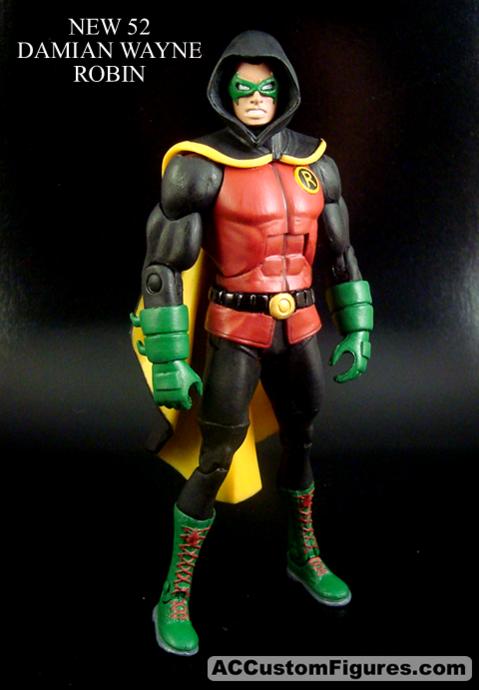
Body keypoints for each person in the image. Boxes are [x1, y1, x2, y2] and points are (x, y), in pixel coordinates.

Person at [131, 30, 373, 656]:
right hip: (236, 330)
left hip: (303, 326)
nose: (256, 98)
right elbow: (162, 269)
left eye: (267, 88)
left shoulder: (317, 163)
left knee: (302, 438)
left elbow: (341, 252)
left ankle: (302, 552)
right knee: (216, 456)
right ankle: (174, 591)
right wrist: (170, 359)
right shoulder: (199, 166)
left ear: (286, 91)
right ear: (225, 93)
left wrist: (359, 325)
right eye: (244, 89)